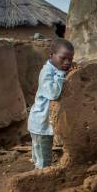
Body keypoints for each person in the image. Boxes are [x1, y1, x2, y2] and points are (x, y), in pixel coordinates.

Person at [27, 38, 75, 169]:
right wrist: (61, 73)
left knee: (41, 157)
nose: (67, 63)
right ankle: (39, 183)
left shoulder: (55, 69)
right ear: (51, 55)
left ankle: (38, 177)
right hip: (40, 125)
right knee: (44, 160)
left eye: (70, 59)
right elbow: (54, 93)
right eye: (63, 58)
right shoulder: (47, 73)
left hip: (42, 124)